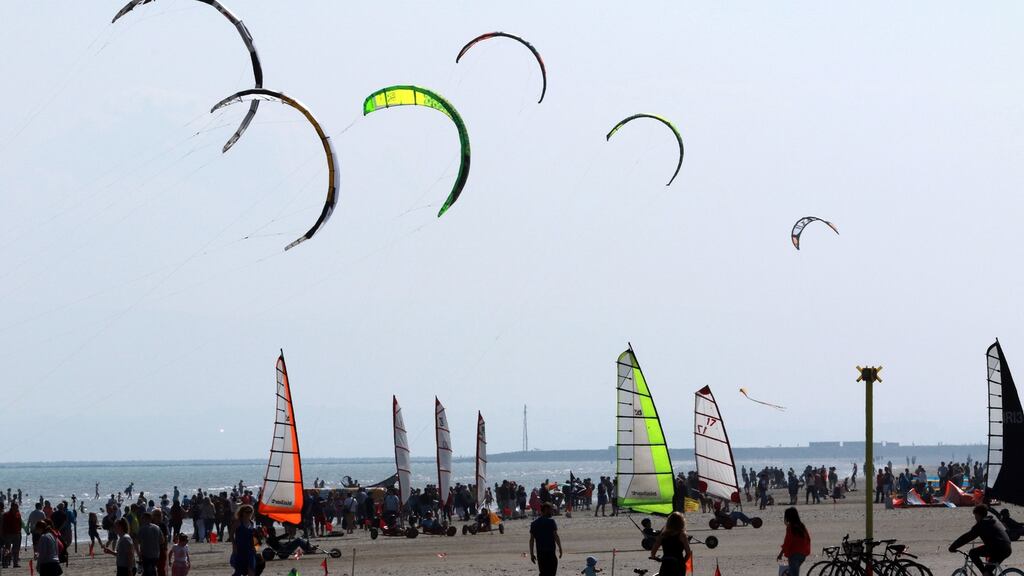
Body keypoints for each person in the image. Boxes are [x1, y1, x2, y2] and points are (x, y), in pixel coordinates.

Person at [950, 504, 1012, 576]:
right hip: (1007, 548)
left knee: (973, 553)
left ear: (979, 515)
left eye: (975, 516)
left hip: (997, 548)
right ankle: (986, 573)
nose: (975, 518)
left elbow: (967, 537)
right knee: (988, 571)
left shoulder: (981, 524)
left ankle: (984, 573)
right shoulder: (993, 521)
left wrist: (953, 547)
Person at [648, 512, 691, 576]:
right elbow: (688, 552)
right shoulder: (681, 535)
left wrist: (654, 557)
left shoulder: (663, 535)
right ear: (681, 523)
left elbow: (653, 551)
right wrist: (683, 562)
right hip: (678, 564)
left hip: (666, 563)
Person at [530, 502, 562, 576]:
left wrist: (532, 554)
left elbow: (531, 540)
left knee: (543, 573)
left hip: (540, 553)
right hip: (550, 552)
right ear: (546, 510)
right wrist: (560, 548)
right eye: (551, 510)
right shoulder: (551, 522)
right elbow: (556, 536)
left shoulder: (534, 523)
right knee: (551, 572)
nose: (552, 511)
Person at [777, 507, 810, 576]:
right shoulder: (801, 526)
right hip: (802, 554)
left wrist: (781, 554)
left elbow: (787, 542)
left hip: (794, 554)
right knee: (793, 572)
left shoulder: (790, 528)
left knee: (794, 574)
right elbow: (808, 539)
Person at [136, 512, 165, 576]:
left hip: (146, 554)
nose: (141, 519)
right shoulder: (157, 527)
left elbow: (137, 541)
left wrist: (138, 552)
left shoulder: (142, 528)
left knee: (148, 571)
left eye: (142, 518)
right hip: (156, 554)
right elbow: (162, 541)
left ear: (146, 518)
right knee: (151, 569)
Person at [232, 505, 257, 576]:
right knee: (239, 571)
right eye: (247, 512)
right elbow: (231, 534)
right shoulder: (238, 522)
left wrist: (256, 547)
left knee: (251, 569)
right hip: (240, 549)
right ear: (242, 512)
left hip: (251, 549)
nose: (248, 513)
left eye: (250, 512)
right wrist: (234, 546)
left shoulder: (252, 523)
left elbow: (254, 537)